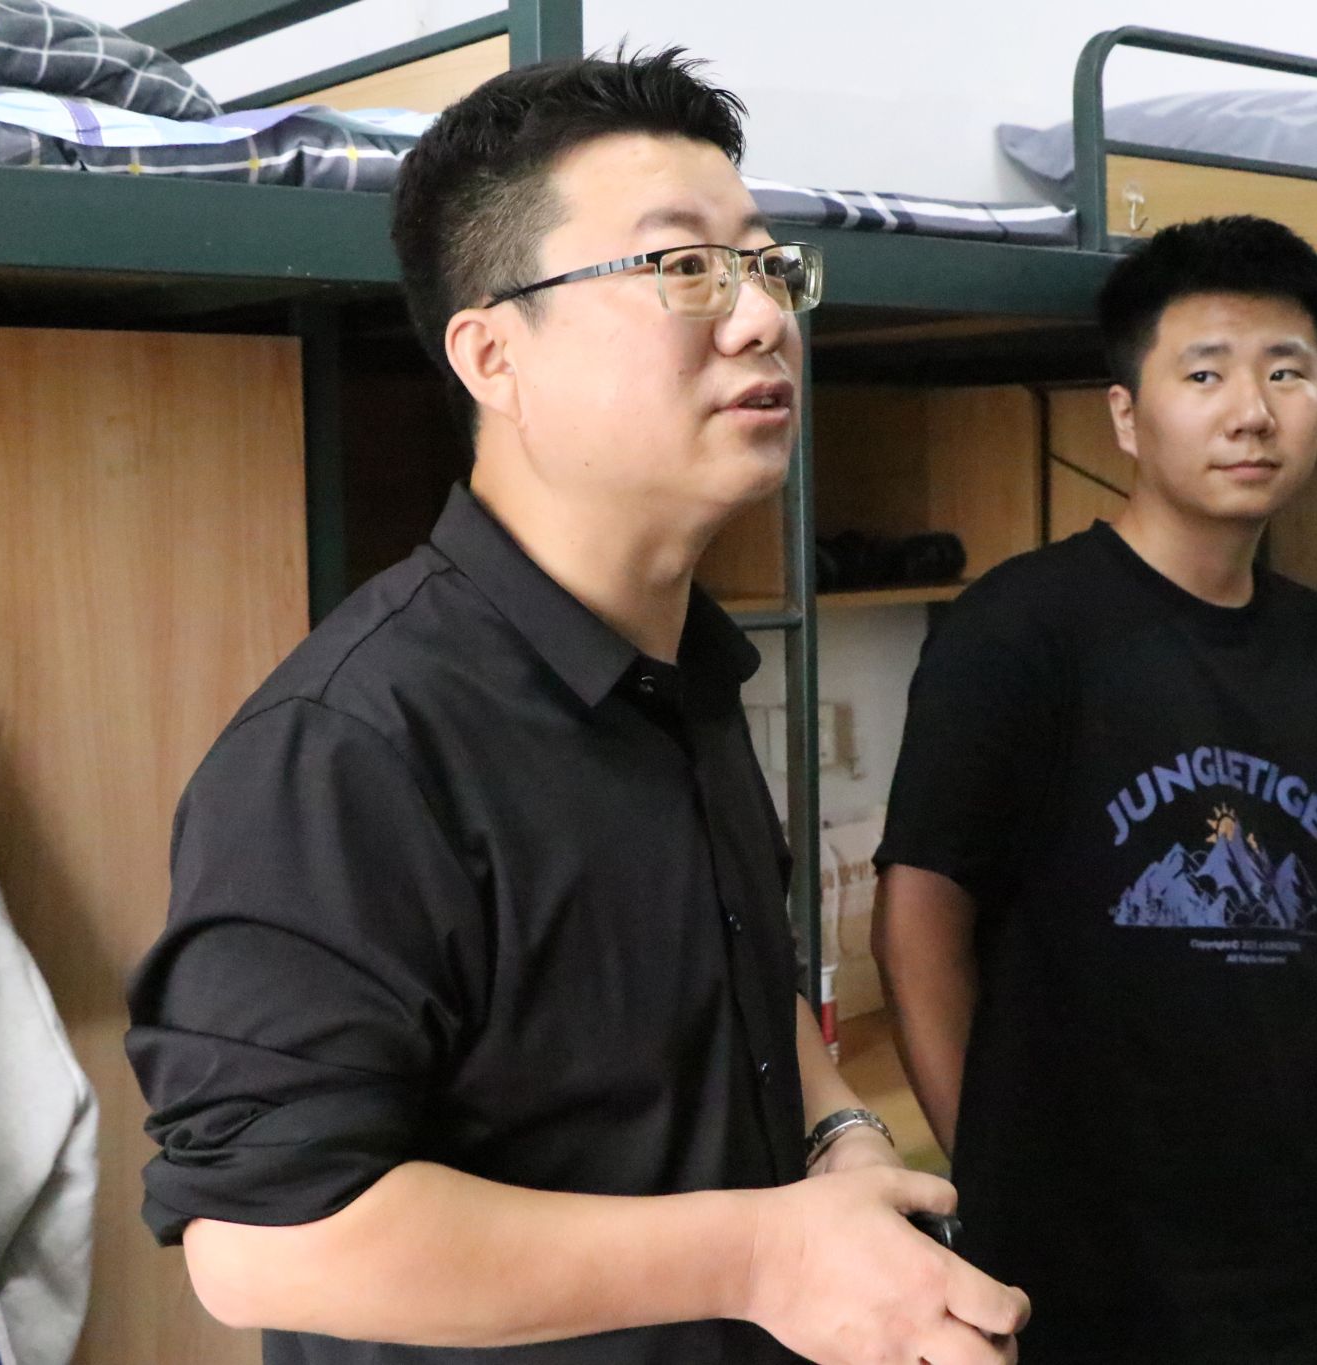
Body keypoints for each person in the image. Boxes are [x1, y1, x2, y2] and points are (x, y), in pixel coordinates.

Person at [123, 48, 1028, 1365]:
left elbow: (724, 973)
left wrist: (837, 1133)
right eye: (683, 267)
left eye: (768, 265)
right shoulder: (349, 748)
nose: (761, 316)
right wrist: (760, 1255)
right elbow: (265, 1241)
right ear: (492, 352)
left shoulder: (687, 670)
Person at [875, 214, 1317, 1363]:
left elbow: (1314, 904)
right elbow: (917, 916)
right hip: (1064, 1246)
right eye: (1204, 373)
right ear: (1125, 415)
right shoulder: (1022, 629)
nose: (1252, 411)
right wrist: (992, 1173)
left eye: (1287, 373)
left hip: (1272, 1231)